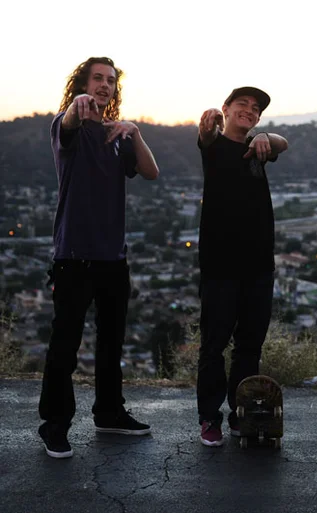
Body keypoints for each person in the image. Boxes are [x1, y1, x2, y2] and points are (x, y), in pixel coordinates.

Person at [38, 57, 160, 459]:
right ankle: (55, 425)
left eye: (110, 80)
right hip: (74, 256)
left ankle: (109, 412)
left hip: (113, 257)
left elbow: (151, 171)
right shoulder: (64, 125)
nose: (105, 85)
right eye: (98, 79)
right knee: (65, 345)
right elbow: (72, 119)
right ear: (82, 83)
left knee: (112, 343)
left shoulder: (118, 135)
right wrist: (79, 105)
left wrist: (135, 131)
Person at [196, 86, 288, 446]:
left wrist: (266, 136)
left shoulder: (259, 148)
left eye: (255, 109)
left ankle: (241, 412)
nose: (249, 110)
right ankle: (209, 417)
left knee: (250, 346)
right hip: (220, 265)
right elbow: (205, 134)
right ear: (227, 109)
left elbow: (283, 143)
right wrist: (208, 125)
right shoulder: (214, 145)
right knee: (214, 345)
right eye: (242, 104)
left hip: (259, 266)